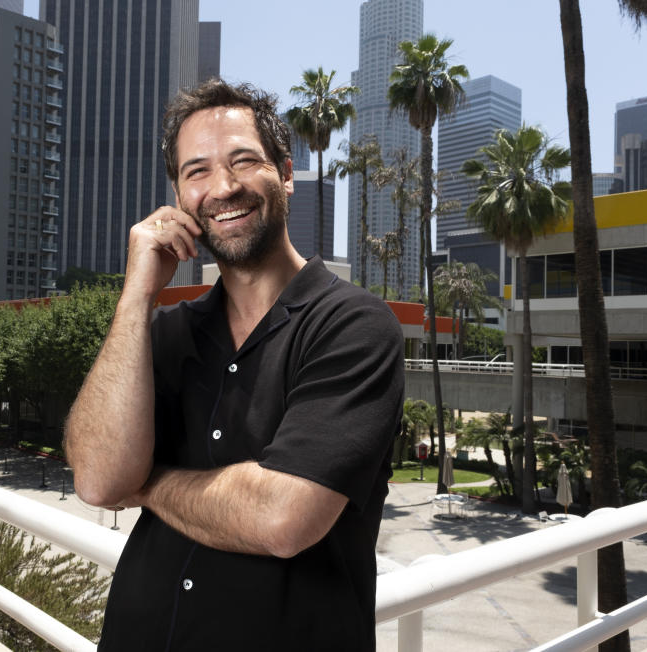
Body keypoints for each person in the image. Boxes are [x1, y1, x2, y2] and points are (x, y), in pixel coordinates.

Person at [64, 79, 406, 651]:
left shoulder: (354, 326)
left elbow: (284, 517)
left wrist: (146, 485)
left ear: (286, 174)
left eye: (243, 161)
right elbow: (99, 480)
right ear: (178, 195)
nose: (222, 187)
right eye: (196, 171)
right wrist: (135, 297)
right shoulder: (165, 333)